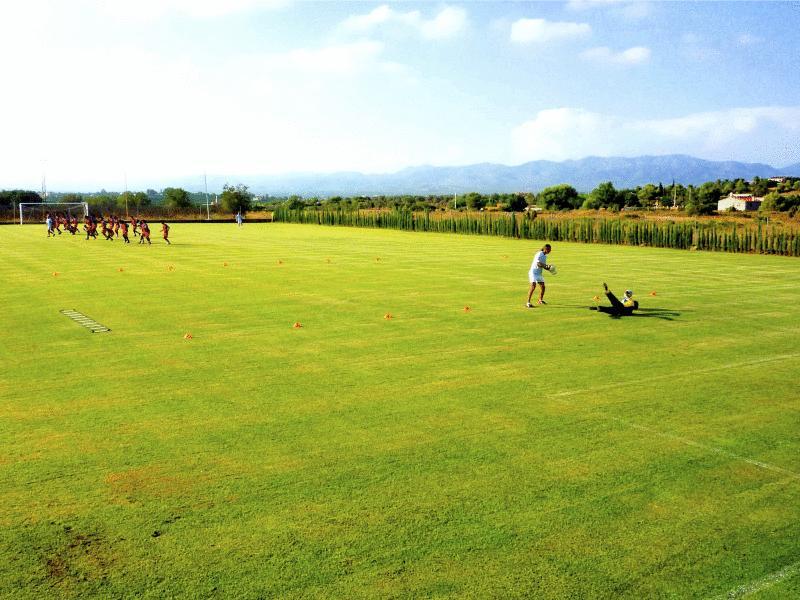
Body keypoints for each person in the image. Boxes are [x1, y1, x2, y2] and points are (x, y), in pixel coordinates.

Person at [526, 243, 552, 308]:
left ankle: (540, 300)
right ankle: (528, 302)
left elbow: (543, 266)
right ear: (545, 249)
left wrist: (549, 268)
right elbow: (538, 263)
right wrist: (546, 266)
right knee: (533, 286)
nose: (550, 251)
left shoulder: (545, 256)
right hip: (533, 273)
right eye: (549, 249)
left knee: (543, 287)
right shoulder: (539, 253)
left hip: (538, 274)